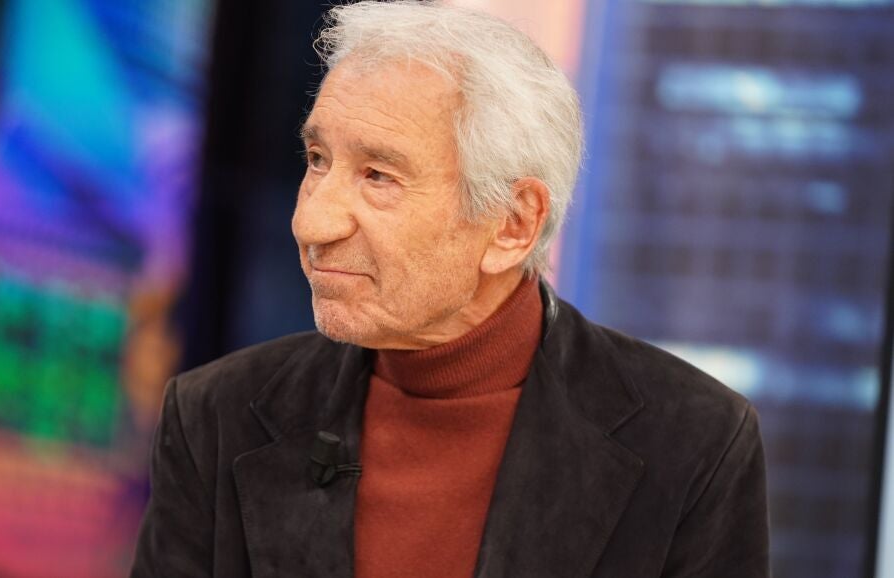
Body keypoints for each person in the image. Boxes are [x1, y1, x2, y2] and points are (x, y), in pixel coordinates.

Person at [130, 2, 770, 577]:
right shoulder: (214, 416)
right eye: (317, 160)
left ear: (512, 225)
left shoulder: (695, 443)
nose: (311, 222)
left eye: (378, 176)